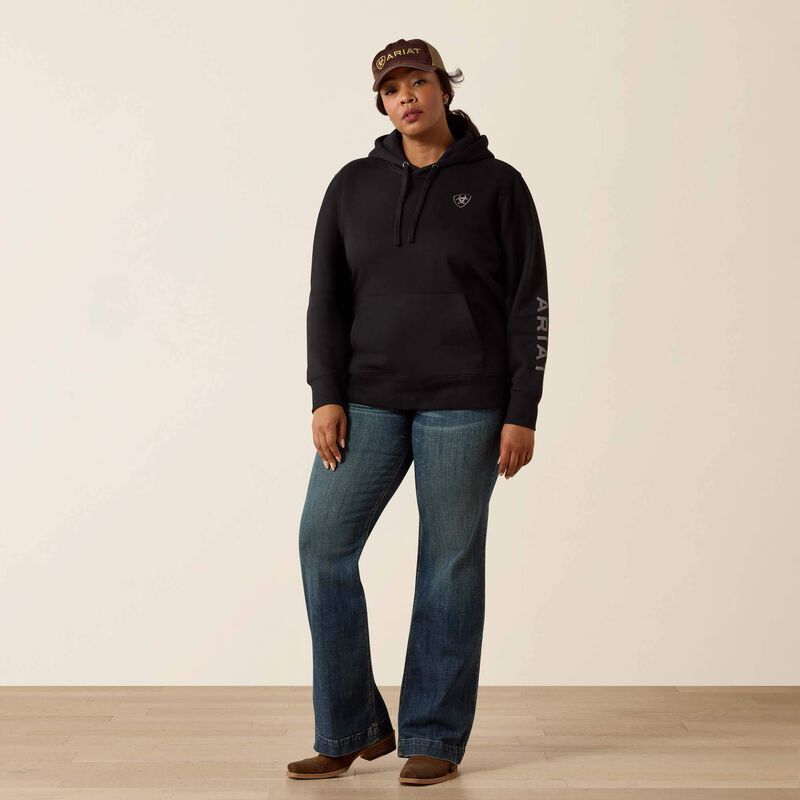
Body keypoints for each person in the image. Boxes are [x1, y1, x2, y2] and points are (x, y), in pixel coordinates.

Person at [287, 37, 550, 786]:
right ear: (381, 103)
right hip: (367, 397)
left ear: (444, 89)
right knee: (323, 545)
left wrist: (523, 408)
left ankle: (434, 734)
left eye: (419, 81)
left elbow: (529, 300)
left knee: (449, 564)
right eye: (392, 88)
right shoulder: (351, 186)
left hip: (468, 401)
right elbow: (327, 298)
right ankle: (350, 728)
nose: (406, 96)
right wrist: (326, 394)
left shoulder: (498, 185)